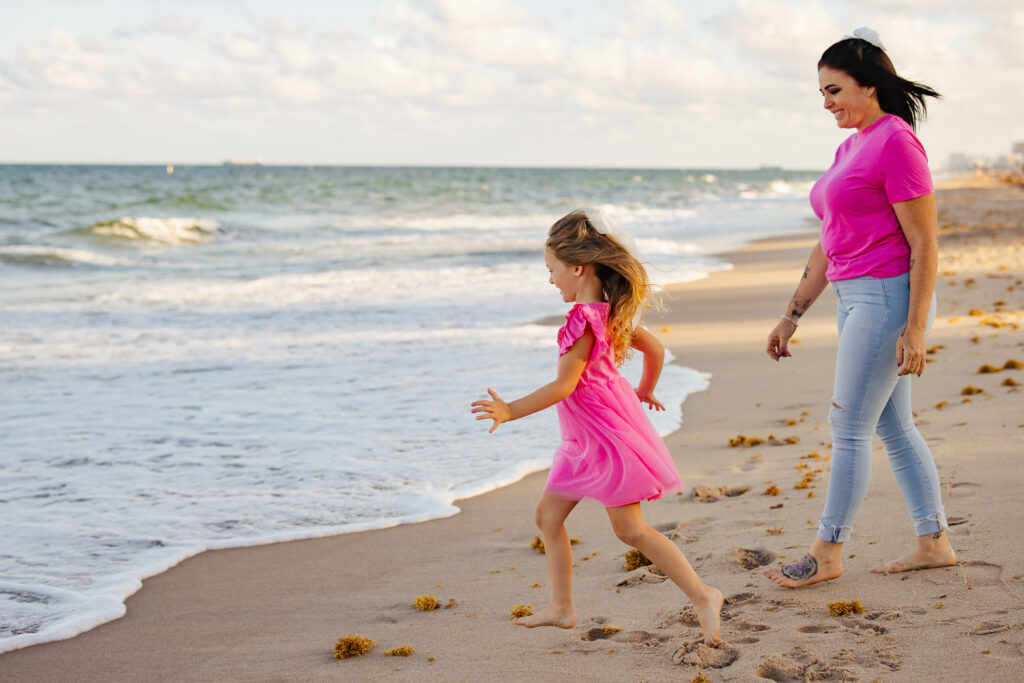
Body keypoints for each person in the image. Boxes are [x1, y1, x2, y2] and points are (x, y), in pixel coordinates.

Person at [471, 207, 723, 645]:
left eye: (551, 270)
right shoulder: (610, 312)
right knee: (548, 518)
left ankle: (704, 595)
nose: (551, 280)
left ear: (577, 266)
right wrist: (643, 390)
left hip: (602, 436)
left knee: (630, 530)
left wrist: (510, 409)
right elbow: (657, 349)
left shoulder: (582, 319)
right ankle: (562, 608)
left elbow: (564, 385)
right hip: (587, 434)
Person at [763, 28, 957, 589]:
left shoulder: (897, 142)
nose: (826, 104)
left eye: (833, 91)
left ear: (869, 86)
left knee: (847, 428)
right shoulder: (851, 146)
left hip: (887, 297)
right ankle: (934, 542)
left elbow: (925, 243)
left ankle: (827, 552)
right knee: (894, 427)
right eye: (821, 94)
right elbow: (830, 238)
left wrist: (915, 327)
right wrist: (793, 313)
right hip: (854, 299)